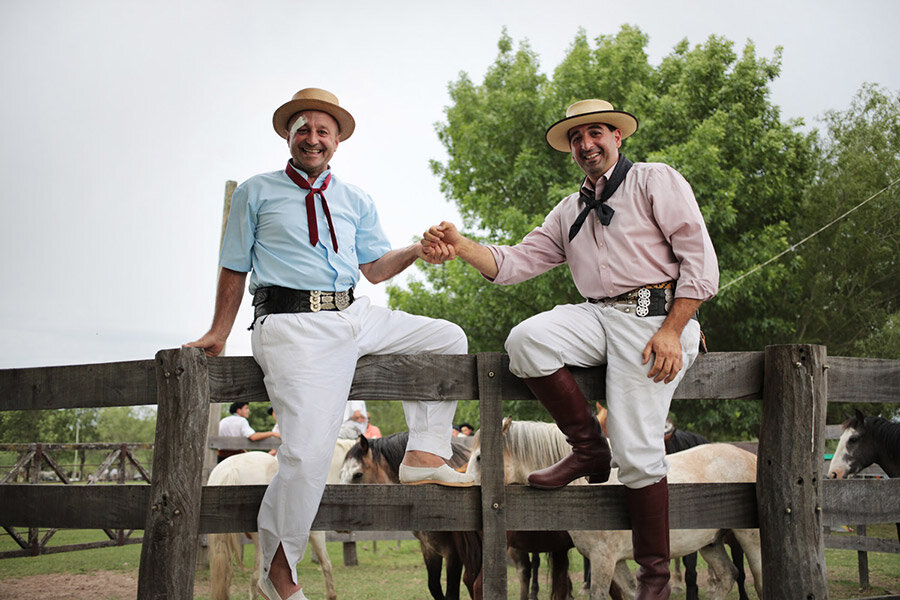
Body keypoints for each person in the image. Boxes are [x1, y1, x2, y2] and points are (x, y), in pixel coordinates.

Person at [423, 98, 718, 600]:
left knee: (640, 454)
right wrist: (462, 244)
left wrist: (673, 330)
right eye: (577, 139)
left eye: (596, 133)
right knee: (526, 340)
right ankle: (586, 447)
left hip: (655, 316)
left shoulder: (655, 180)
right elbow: (514, 263)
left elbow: (700, 261)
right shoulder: (569, 209)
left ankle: (655, 584)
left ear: (617, 137)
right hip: (598, 313)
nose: (586, 145)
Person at [186, 88, 473, 600]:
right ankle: (279, 569)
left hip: (353, 312)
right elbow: (234, 263)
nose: (313, 138)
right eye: (304, 129)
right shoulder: (255, 191)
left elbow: (374, 268)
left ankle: (424, 455)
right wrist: (218, 332)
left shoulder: (355, 198)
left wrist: (418, 249)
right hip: (291, 321)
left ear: (337, 140)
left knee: (447, 337)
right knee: (308, 453)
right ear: (289, 136)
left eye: (324, 131)